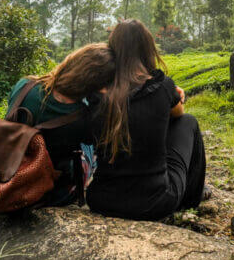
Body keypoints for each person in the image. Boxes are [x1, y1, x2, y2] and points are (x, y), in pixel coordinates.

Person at [86, 19, 207, 220]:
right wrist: (173, 95)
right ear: (147, 48)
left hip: (102, 201)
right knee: (188, 122)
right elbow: (178, 114)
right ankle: (192, 198)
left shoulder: (97, 92)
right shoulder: (162, 85)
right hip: (155, 203)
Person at [5, 42, 115, 207]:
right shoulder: (81, 118)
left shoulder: (24, 85)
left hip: (5, 175)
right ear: (97, 84)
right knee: (89, 149)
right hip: (48, 193)